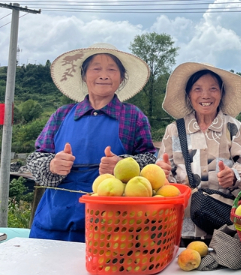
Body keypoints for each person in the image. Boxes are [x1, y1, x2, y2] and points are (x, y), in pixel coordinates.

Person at [28, 43, 156, 242]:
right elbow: (35, 159)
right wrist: (51, 165)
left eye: (111, 69)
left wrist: (122, 165)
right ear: (84, 75)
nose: (103, 75)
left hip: (112, 226)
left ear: (121, 78)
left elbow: (150, 161)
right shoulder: (61, 114)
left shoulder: (133, 116)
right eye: (96, 69)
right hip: (54, 221)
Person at [156, 63, 241, 245]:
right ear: (189, 94)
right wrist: (162, 174)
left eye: (213, 89)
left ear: (221, 93)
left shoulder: (233, 128)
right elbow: (164, 174)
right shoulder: (175, 130)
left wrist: (234, 176)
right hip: (182, 226)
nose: (205, 95)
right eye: (198, 89)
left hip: (222, 225)